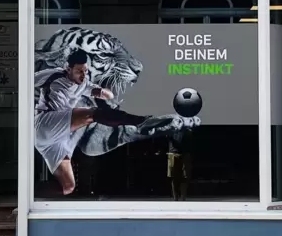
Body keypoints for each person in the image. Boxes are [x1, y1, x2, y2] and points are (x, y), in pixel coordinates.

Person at [34, 49, 148, 195]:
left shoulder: (84, 83)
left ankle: (27, 195)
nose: (83, 75)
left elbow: (100, 92)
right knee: (90, 114)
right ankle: (139, 121)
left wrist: (109, 93)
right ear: (68, 69)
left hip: (55, 140)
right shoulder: (55, 74)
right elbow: (27, 79)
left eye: (86, 71)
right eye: (79, 71)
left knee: (68, 187)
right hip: (46, 124)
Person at [167, 129, 193, 201]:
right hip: (173, 153)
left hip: (185, 153)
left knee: (185, 175)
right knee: (173, 176)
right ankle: (175, 198)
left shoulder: (188, 127)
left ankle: (183, 197)